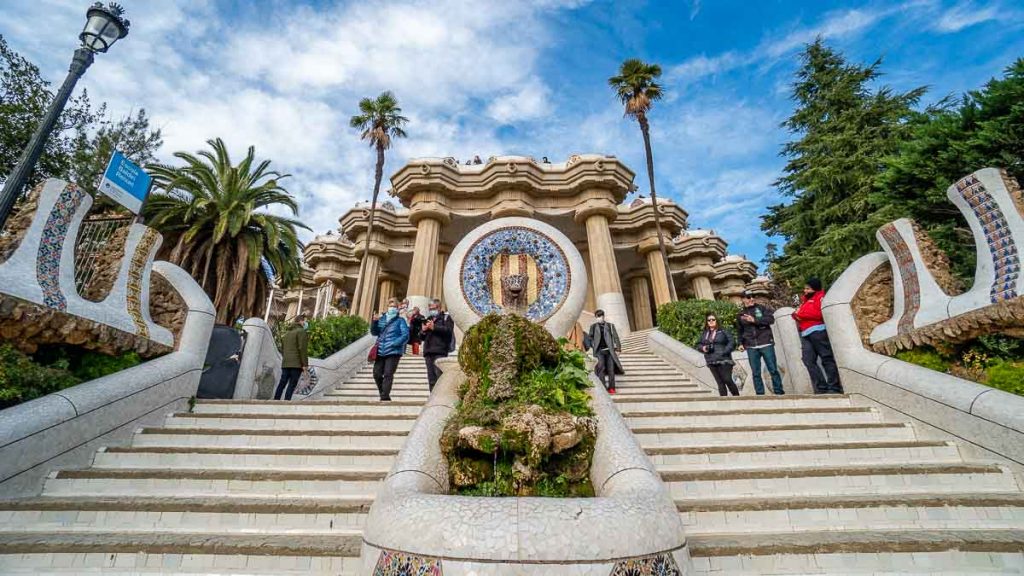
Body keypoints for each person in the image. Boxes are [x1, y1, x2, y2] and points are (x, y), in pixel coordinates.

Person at [793, 277, 843, 394]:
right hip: (805, 333)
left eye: (807, 288)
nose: (805, 291)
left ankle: (834, 386)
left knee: (826, 358)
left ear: (814, 289)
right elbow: (800, 314)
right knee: (808, 360)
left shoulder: (820, 298)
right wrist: (796, 315)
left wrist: (801, 314)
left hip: (818, 331)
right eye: (804, 288)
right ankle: (821, 387)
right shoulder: (805, 301)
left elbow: (818, 313)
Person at [736, 291, 785, 395]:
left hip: (766, 343)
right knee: (755, 373)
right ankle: (760, 394)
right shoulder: (740, 314)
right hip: (751, 346)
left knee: (773, 369)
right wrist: (740, 343)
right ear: (743, 299)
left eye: (753, 296)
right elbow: (740, 331)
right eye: (748, 297)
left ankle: (779, 392)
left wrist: (755, 320)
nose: (751, 299)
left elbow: (770, 319)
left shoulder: (762, 308)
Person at [371, 297, 410, 401]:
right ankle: (383, 393)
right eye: (390, 306)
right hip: (380, 351)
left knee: (388, 374)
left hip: (393, 351)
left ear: (397, 308)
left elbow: (405, 335)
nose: (391, 308)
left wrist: (395, 343)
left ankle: (384, 396)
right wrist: (374, 322)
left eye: (394, 306)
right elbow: (374, 332)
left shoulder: (400, 321)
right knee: (376, 374)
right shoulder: (382, 319)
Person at [698, 314, 739, 396]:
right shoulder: (705, 333)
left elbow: (732, 342)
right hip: (711, 360)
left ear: (716, 320)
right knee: (720, 383)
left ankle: (737, 397)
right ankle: (724, 403)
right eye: (709, 320)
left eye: (713, 319)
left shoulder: (723, 331)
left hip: (724, 360)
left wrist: (725, 351)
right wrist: (703, 348)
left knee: (727, 379)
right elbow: (699, 344)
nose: (711, 321)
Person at [419, 299, 454, 391]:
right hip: (428, 351)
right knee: (431, 379)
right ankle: (432, 400)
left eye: (433, 308)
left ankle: (440, 400)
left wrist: (434, 327)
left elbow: (448, 331)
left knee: (439, 377)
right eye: (430, 308)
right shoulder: (428, 319)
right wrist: (423, 330)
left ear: (439, 307)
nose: (431, 310)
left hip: (440, 350)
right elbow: (421, 337)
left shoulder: (446, 318)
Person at [586, 309, 623, 394]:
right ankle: (603, 387)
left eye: (600, 316)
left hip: (609, 350)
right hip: (599, 351)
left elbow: (616, 337)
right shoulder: (593, 326)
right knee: (601, 368)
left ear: (603, 316)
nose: (599, 318)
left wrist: (618, 348)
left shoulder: (610, 326)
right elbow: (590, 337)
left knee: (611, 369)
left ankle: (612, 388)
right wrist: (593, 344)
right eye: (597, 317)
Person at [274, 314, 309, 401]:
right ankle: (286, 402)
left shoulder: (287, 334)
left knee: (282, 383)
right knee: (292, 384)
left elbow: (283, 349)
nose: (306, 323)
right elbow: (302, 349)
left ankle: (275, 400)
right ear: (301, 321)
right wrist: (304, 364)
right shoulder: (301, 332)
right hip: (296, 364)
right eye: (305, 321)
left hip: (286, 363)